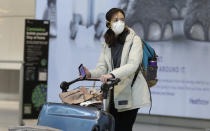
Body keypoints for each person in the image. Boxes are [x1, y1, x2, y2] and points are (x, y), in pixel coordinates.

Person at [81, 8, 151, 131]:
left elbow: (133, 65)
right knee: (112, 127)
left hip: (130, 92)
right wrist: (90, 73)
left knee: (123, 127)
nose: (120, 22)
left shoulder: (134, 40)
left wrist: (111, 75)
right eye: (116, 20)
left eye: (122, 20)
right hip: (113, 92)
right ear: (109, 23)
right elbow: (102, 67)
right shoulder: (107, 42)